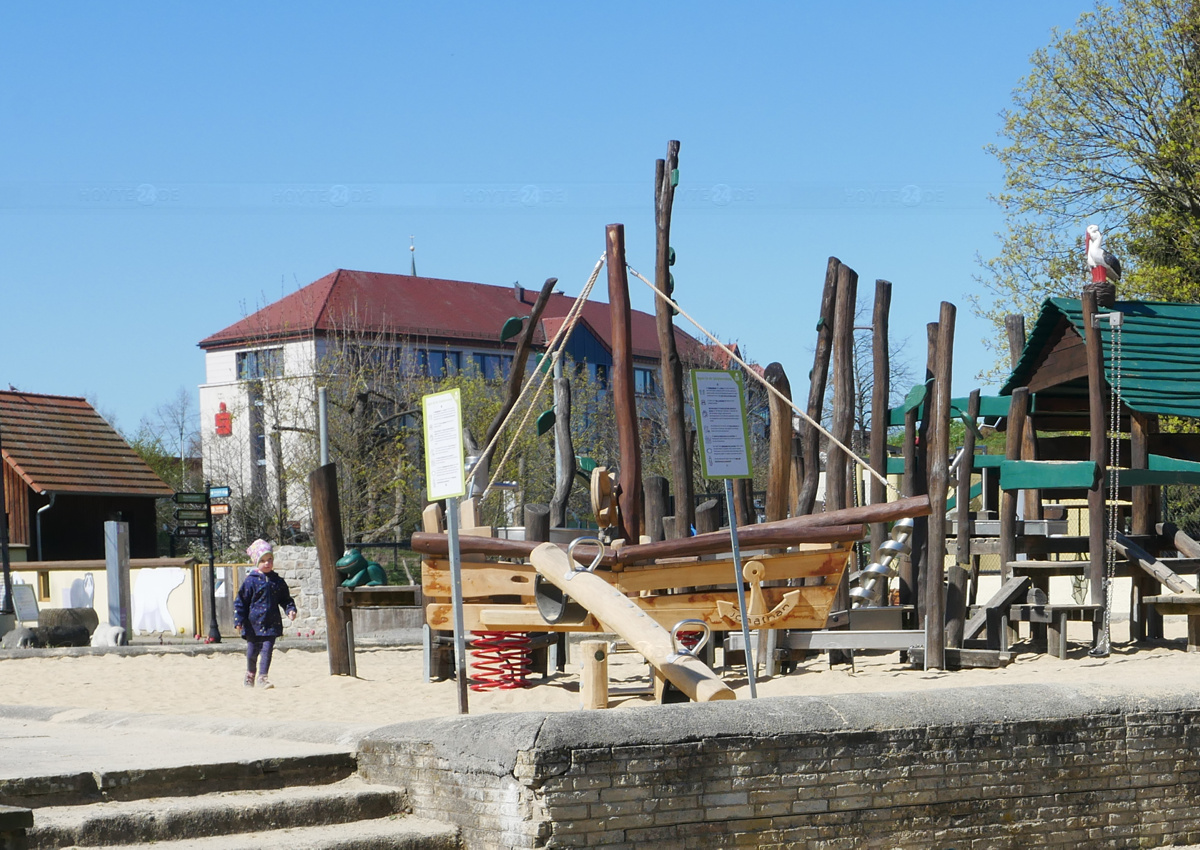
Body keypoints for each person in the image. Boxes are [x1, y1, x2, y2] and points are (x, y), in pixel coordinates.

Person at [233, 539, 297, 689]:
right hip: (253, 624)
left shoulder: (278, 581)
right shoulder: (251, 581)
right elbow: (241, 602)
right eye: (263, 560)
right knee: (252, 652)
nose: (267, 563)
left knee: (267, 651)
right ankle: (250, 675)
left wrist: (290, 610)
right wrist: (239, 620)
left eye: (269, 560)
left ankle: (263, 677)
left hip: (271, 623)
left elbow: (286, 599)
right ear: (256, 562)